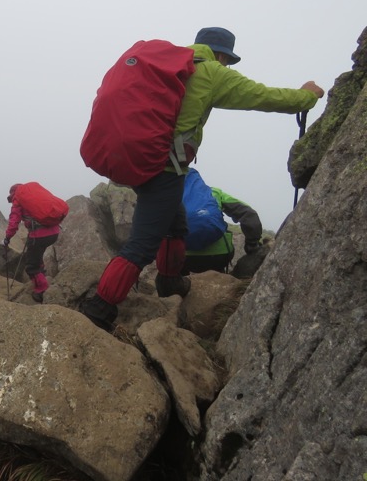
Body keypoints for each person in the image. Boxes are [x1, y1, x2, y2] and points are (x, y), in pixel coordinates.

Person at [80, 26, 325, 331]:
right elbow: (265, 96)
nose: (227, 67)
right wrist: (307, 96)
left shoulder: (169, 67)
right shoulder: (211, 72)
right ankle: (99, 309)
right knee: (142, 245)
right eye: (228, 61)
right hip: (164, 169)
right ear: (222, 54)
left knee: (175, 223)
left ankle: (170, 282)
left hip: (139, 160)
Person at [182, 185, 264, 275]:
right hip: (219, 256)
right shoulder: (214, 192)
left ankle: (178, 282)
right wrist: (252, 244)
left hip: (183, 256)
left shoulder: (172, 193)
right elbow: (249, 214)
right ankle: (220, 277)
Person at [3, 184, 62, 302]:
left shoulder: (18, 198)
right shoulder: (33, 193)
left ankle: (42, 289)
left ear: (13, 194)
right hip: (54, 232)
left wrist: (7, 237)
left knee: (31, 265)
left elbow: (14, 221)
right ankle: (42, 277)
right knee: (37, 256)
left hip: (39, 235)